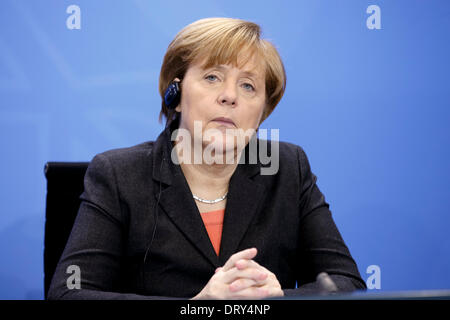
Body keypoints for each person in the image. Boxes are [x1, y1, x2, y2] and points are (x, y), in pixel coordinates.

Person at [47, 17, 366, 300]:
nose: (230, 96)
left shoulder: (287, 168)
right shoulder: (119, 174)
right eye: (212, 77)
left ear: (261, 113)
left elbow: (347, 282)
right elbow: (68, 292)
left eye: (248, 86)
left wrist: (278, 297)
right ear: (176, 95)